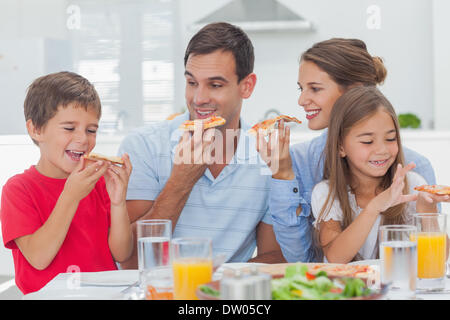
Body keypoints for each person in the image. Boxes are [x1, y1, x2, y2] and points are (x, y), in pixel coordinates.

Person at [117, 22, 285, 269]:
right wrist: (180, 182)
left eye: (215, 85)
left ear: (246, 86)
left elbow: (274, 257)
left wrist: (214, 283)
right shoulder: (143, 147)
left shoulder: (267, 157)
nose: (199, 99)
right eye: (192, 83)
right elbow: (131, 262)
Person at [256, 38, 437, 262]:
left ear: (354, 92)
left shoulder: (414, 169)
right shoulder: (296, 162)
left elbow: (431, 257)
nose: (302, 100)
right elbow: (300, 260)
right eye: (301, 89)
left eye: (315, 88)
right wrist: (282, 175)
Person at [0, 71, 133, 294]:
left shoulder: (98, 183)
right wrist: (71, 196)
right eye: (69, 128)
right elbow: (39, 258)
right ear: (36, 129)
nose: (83, 139)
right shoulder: (18, 190)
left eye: (91, 130)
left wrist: (118, 203)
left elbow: (122, 253)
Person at [311, 86, 448, 263]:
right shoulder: (326, 192)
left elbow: (437, 261)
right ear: (340, 146)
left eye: (391, 139)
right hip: (350, 289)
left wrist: (426, 210)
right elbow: (336, 258)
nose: (382, 150)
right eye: (368, 141)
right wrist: (375, 207)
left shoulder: (412, 184)